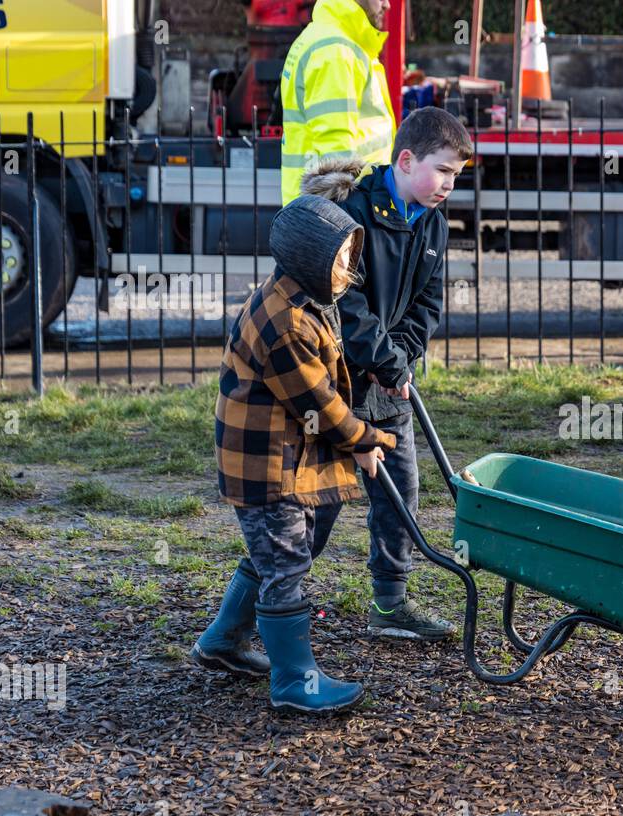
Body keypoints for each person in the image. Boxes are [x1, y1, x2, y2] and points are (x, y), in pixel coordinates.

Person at [194, 194, 397, 715]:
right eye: (339, 259)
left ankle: (223, 641)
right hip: (268, 468)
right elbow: (318, 403)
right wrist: (365, 439)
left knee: (281, 552)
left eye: (351, 257)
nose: (348, 270)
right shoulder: (285, 321)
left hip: (287, 459)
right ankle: (294, 681)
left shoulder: (302, 302)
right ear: (308, 257)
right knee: (285, 562)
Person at [301, 107, 472, 641]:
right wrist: (381, 359)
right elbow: (343, 298)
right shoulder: (354, 212)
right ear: (405, 159)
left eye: (456, 177)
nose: (448, 184)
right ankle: (277, 593)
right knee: (324, 496)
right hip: (341, 379)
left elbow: (428, 302)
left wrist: (401, 355)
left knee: (401, 487)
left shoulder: (433, 222)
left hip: (388, 380)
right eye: (442, 170)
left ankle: (391, 603)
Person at [280, 0, 397, 206]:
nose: (387, 5)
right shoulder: (335, 50)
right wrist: (354, 216)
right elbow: (336, 150)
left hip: (325, 207)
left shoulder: (332, 40)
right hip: (340, 209)